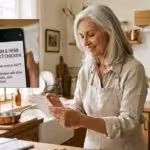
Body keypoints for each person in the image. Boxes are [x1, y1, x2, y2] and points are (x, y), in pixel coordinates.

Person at [46, 5, 148, 150]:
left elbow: (128, 123)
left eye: (91, 34)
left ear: (109, 33)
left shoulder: (133, 69)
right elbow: (78, 108)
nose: (85, 43)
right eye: (81, 36)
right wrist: (63, 111)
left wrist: (81, 119)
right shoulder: (85, 71)